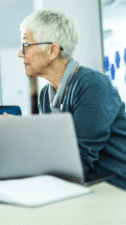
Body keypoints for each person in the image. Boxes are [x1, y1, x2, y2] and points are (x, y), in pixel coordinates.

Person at [18, 9, 126, 189]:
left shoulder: (92, 85)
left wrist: (21, 157)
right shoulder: (46, 95)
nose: (20, 54)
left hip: (114, 188)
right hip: (84, 185)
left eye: (26, 45)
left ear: (52, 50)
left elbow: (78, 160)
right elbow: (54, 152)